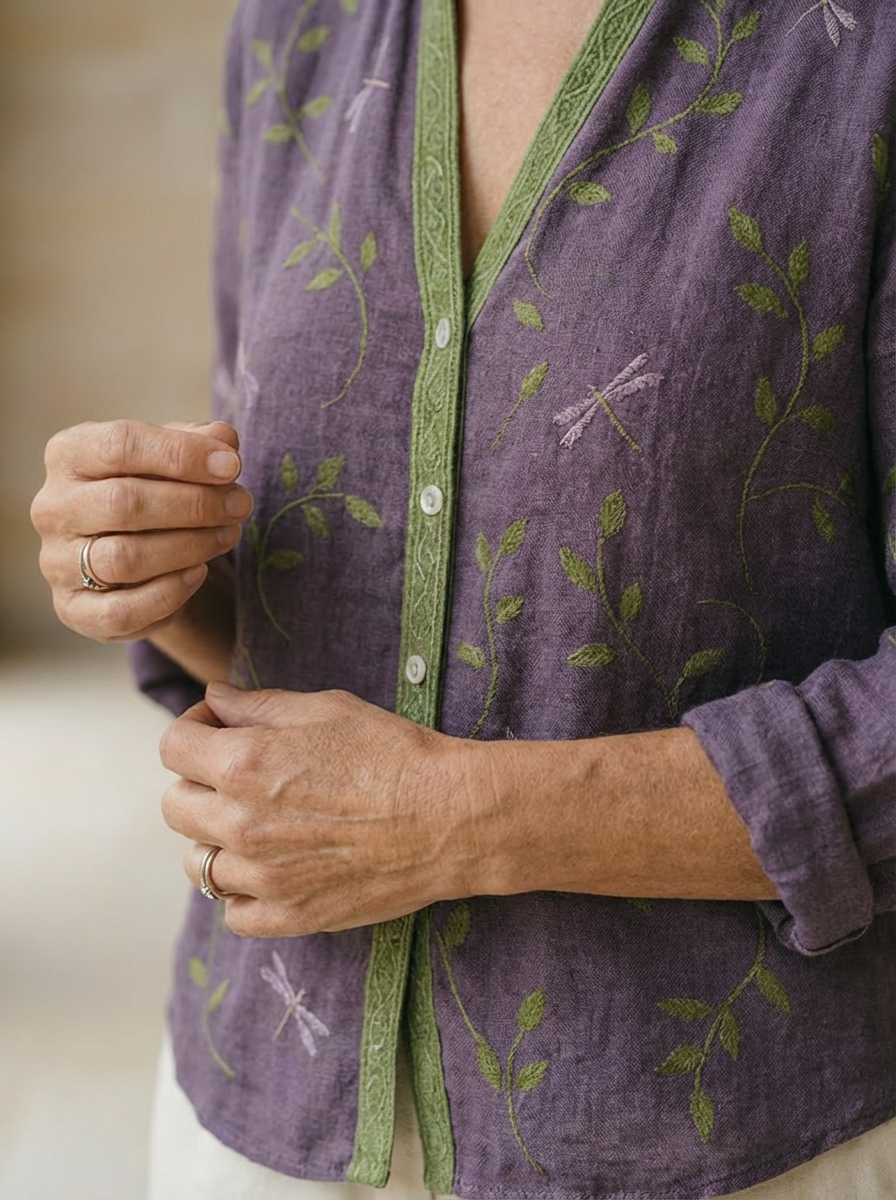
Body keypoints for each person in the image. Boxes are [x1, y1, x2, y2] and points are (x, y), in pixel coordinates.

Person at [30, 0, 895, 1197]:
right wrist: (147, 566)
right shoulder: (295, 26)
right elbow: (294, 585)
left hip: (711, 1142)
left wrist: (459, 816)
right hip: (267, 1113)